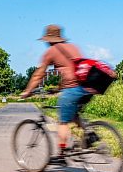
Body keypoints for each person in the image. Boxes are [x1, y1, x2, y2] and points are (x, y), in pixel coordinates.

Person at [21, 24, 93, 163]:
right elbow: (73, 70)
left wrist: (28, 91)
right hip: (87, 87)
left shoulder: (51, 51)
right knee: (74, 115)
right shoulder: (73, 47)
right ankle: (90, 134)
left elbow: (39, 74)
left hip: (72, 89)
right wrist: (59, 88)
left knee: (63, 122)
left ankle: (61, 154)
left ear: (49, 39)